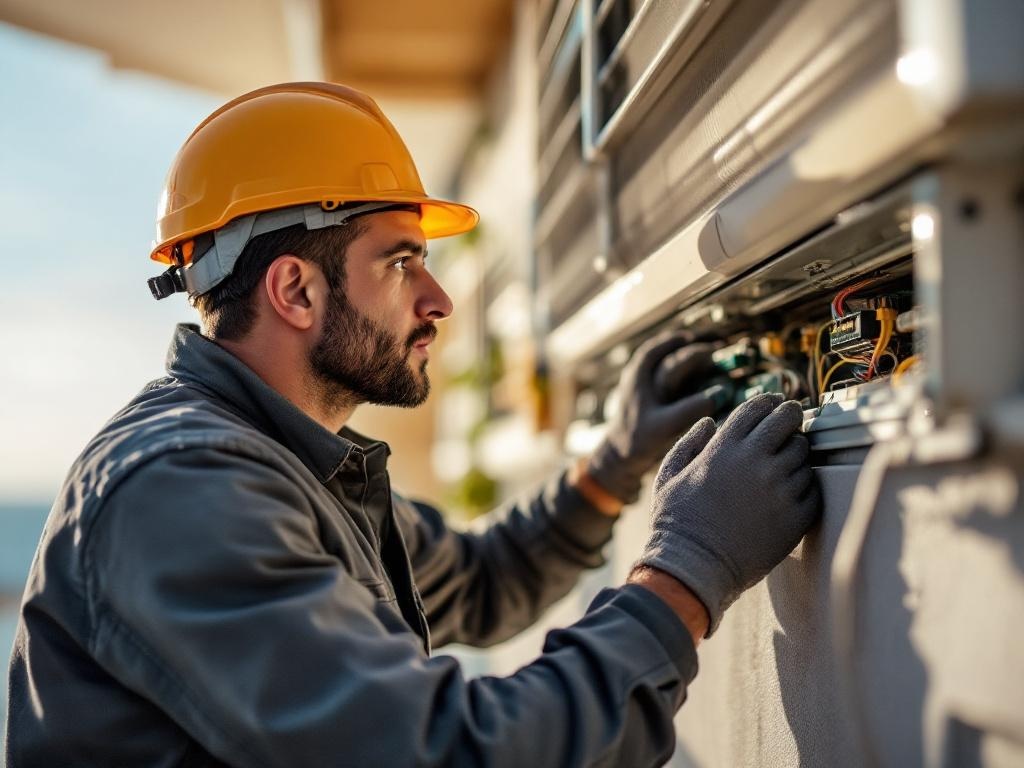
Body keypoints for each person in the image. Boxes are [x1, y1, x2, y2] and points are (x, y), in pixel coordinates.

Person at [5, 82, 820, 767]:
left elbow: (482, 581)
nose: (439, 301)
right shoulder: (183, 491)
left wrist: (609, 465)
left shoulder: (287, 463)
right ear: (295, 291)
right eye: (401, 262)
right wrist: (688, 574)